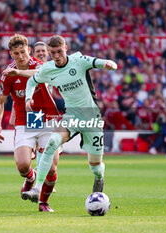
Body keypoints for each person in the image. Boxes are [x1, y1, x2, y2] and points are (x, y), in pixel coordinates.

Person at [23, 35, 117, 204]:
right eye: (52, 53)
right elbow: (31, 81)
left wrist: (109, 64)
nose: (56, 56)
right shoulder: (47, 69)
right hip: (69, 115)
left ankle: (99, 177)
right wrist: (28, 98)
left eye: (59, 51)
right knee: (51, 142)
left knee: (95, 165)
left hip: (91, 117)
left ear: (66, 48)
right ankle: (37, 189)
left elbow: (100, 62)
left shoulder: (79, 60)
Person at [0, 34, 60, 212]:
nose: (20, 56)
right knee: (23, 165)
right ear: (11, 54)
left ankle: (43, 203)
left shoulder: (39, 65)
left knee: (52, 168)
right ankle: (31, 178)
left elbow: (38, 73)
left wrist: (19, 72)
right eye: (16, 54)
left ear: (28, 50)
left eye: (23, 52)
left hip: (47, 117)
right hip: (26, 120)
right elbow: (0, 101)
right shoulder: (8, 73)